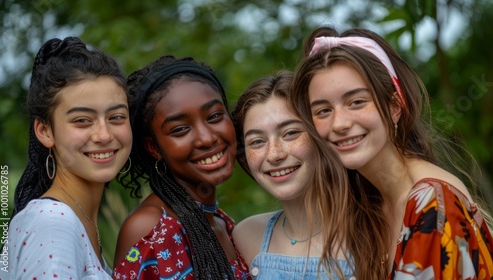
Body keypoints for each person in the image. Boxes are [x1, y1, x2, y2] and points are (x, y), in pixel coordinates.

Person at [291, 26, 493, 279]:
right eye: (323, 111)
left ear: (395, 106)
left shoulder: (432, 203)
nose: (339, 123)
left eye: (356, 102)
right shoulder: (372, 204)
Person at [0, 37, 132, 279]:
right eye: (82, 120)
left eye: (116, 117)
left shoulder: (74, 220)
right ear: (45, 131)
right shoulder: (52, 224)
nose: (104, 134)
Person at [112, 55, 250, 280]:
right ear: (153, 147)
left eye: (214, 116)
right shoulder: (151, 229)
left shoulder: (223, 223)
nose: (206, 138)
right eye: (180, 130)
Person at [230, 71, 358, 279]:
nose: (274, 154)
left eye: (290, 133)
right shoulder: (247, 236)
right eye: (257, 141)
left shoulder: (376, 229)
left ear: (320, 134)